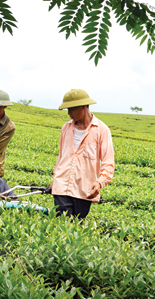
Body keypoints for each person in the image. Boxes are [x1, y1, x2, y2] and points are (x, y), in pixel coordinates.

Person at [51, 89, 114, 219]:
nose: (69, 113)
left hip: (84, 189)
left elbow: (108, 162)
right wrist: (55, 178)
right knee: (63, 224)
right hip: (62, 186)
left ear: (84, 107)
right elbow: (61, 156)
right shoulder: (66, 128)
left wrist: (99, 182)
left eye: (72, 109)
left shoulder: (102, 130)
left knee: (76, 227)